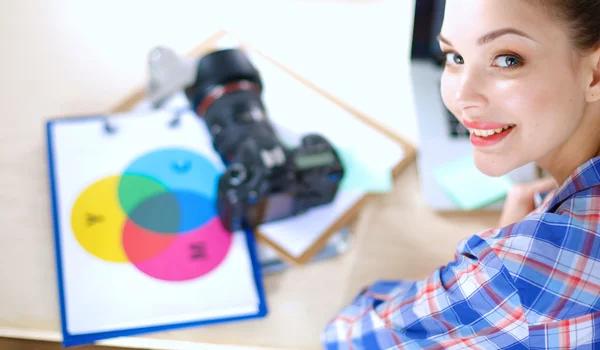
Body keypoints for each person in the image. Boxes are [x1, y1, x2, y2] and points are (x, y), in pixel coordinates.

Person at [322, 0, 600, 348]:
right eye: (453, 57)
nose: (461, 96)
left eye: (507, 59)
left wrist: (494, 261)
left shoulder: (518, 272)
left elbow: (350, 338)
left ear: (596, 73)